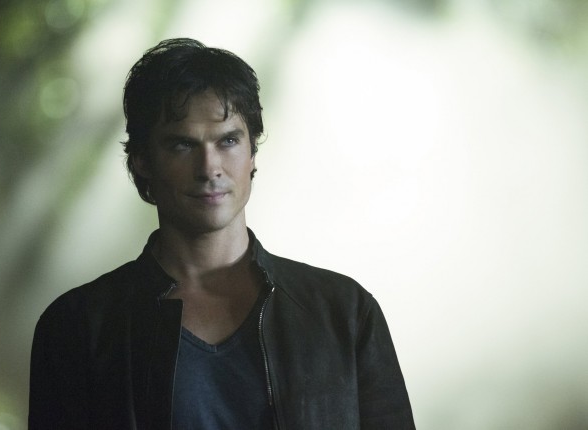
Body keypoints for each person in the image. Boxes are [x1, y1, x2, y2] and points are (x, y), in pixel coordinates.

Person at [28, 38, 415, 429]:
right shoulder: (78, 327)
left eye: (228, 141)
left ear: (252, 153)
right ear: (143, 160)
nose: (209, 167)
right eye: (182, 145)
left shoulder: (344, 312)